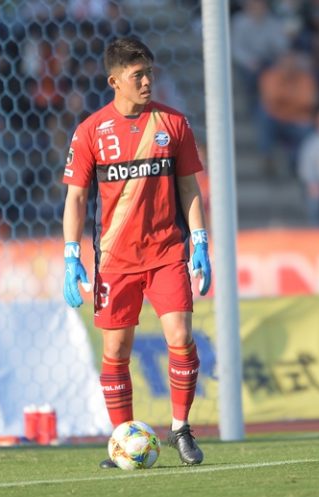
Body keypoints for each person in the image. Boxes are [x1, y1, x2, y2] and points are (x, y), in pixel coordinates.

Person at [61, 37, 210, 468]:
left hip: (166, 252)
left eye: (149, 74)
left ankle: (181, 429)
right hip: (115, 259)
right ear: (114, 81)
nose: (147, 82)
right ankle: (123, 439)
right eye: (137, 76)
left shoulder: (173, 124)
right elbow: (75, 198)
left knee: (180, 336)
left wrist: (200, 240)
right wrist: (71, 255)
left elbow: (188, 187)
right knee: (116, 350)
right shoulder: (91, 131)